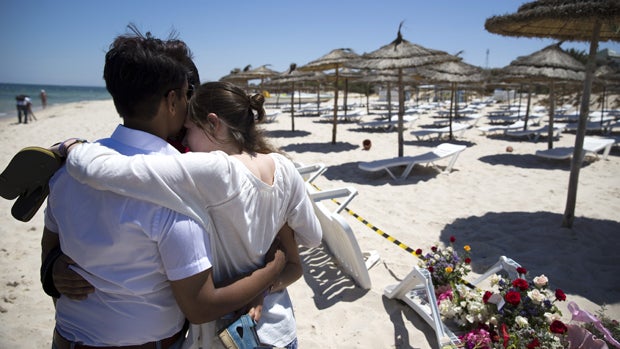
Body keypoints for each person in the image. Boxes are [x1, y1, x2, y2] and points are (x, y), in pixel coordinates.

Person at [41, 27, 287, 349]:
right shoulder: (179, 189)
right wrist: (275, 266)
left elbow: (50, 246)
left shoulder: (68, 172)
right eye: (187, 94)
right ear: (172, 100)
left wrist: (52, 268)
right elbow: (199, 305)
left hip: (65, 339)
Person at [61, 81, 323, 348]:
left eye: (189, 128)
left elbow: (113, 171)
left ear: (213, 124)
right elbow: (313, 238)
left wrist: (73, 148)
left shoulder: (216, 171)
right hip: (281, 331)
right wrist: (267, 272)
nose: (184, 140)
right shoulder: (283, 167)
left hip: (229, 337)